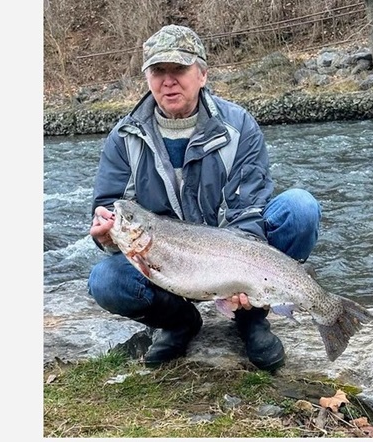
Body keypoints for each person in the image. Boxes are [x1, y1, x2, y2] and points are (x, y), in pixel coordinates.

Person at [88, 24, 322, 372]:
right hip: (165, 261)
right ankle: (178, 322)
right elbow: (110, 208)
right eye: (158, 71)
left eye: (179, 70)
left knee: (300, 208)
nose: (168, 81)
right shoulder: (125, 136)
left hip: (233, 256)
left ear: (202, 74)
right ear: (148, 78)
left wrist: (242, 283)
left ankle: (251, 317)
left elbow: (249, 211)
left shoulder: (239, 126)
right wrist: (107, 236)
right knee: (105, 281)